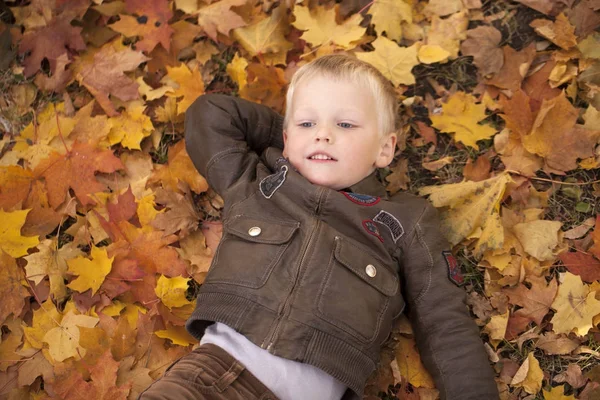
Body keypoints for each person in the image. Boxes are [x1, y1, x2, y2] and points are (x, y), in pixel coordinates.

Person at [138, 54, 499, 400]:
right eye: (308, 123)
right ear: (285, 135)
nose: (323, 134)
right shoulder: (256, 186)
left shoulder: (402, 222)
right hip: (209, 380)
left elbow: (446, 324)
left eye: (345, 124)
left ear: (385, 149)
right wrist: (291, 138)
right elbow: (210, 113)